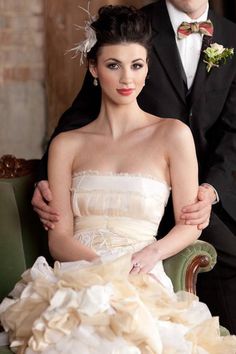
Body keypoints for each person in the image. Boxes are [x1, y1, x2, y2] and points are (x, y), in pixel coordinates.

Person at [1, 5, 236, 353]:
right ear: (94, 68)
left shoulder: (173, 134)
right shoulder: (68, 144)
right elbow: (59, 239)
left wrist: (149, 256)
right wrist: (103, 273)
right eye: (114, 65)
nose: (127, 79)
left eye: (137, 66)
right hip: (79, 276)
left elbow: (231, 138)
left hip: (143, 269)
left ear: (147, 68)